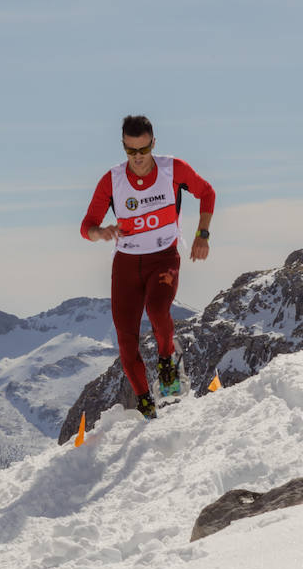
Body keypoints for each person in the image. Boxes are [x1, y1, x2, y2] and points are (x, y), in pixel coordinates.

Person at [81, 115, 215, 418]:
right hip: (127, 265)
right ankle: (144, 401)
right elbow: (86, 225)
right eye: (131, 152)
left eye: (143, 151)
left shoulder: (172, 169)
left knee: (157, 310)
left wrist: (202, 234)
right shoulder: (112, 180)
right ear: (123, 147)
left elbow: (207, 192)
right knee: (126, 340)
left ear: (153, 143)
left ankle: (167, 360)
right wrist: (100, 233)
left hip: (163, 258)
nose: (138, 159)